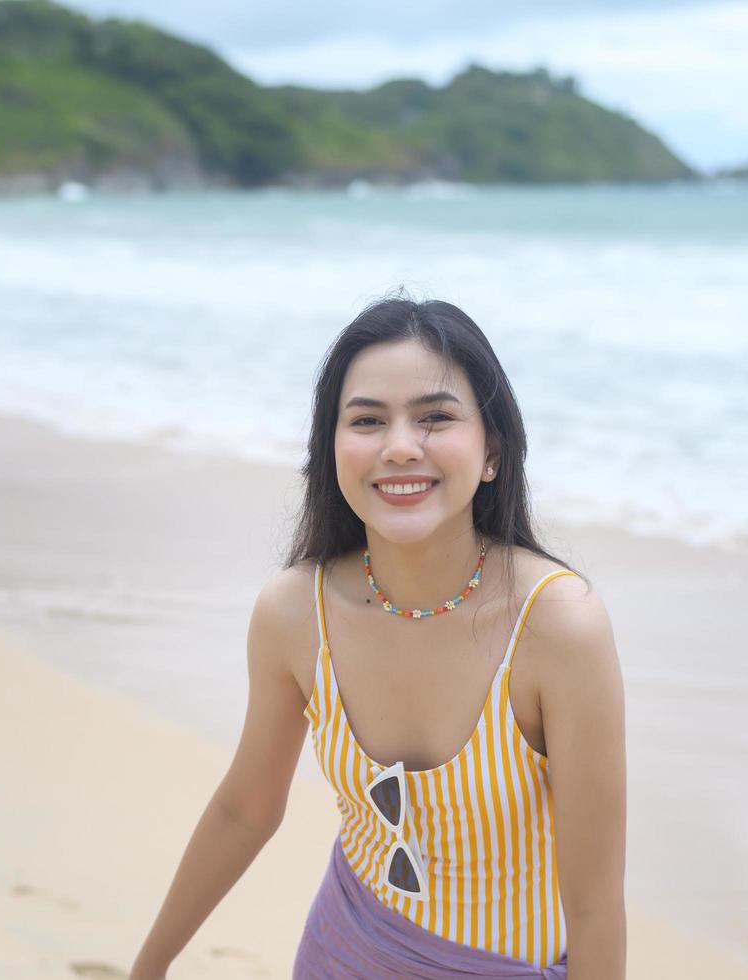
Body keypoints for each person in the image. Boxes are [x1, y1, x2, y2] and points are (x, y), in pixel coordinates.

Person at [129, 296, 626, 979]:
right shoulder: (295, 614)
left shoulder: (556, 624)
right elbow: (245, 808)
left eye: (435, 418)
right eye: (366, 420)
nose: (398, 446)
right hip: (344, 951)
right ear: (330, 448)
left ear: (491, 452)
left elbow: (595, 904)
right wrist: (148, 967)